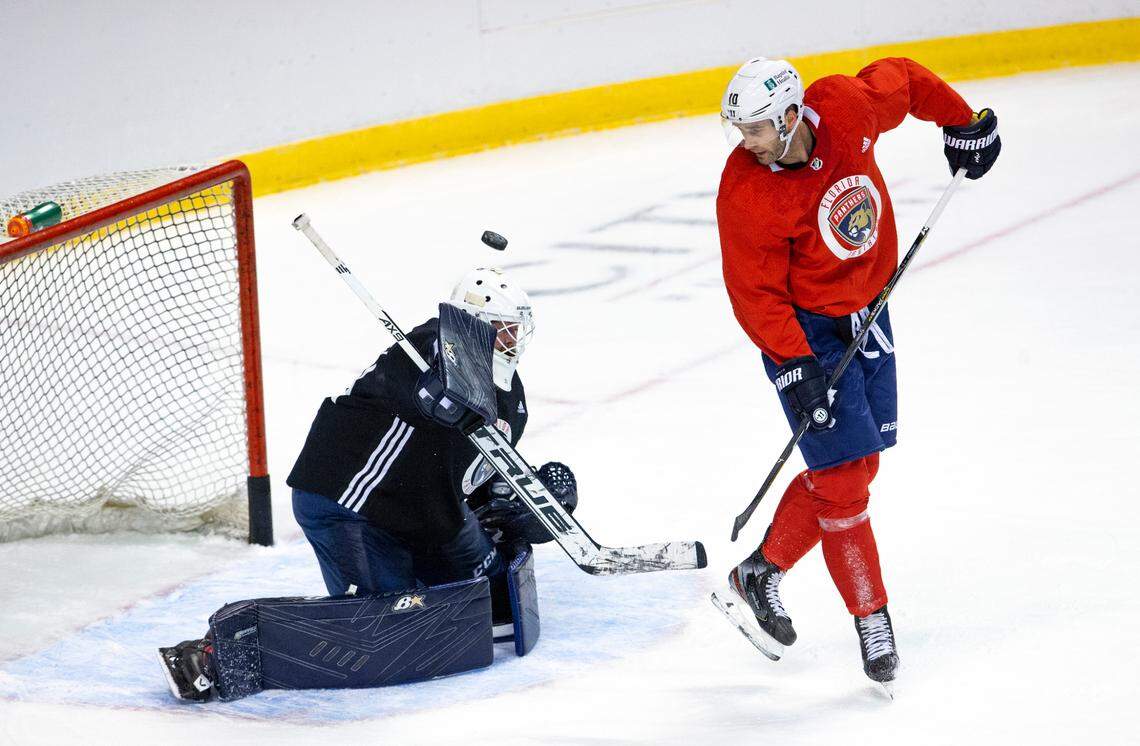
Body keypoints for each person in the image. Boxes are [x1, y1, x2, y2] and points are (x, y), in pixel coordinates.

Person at [157, 267, 578, 701]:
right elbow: (416, 386)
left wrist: (518, 505)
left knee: (477, 609)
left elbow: (467, 479)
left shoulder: (512, 396)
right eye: (504, 331)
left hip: (411, 509)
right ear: (474, 325)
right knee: (387, 630)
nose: (512, 342)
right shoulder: (430, 346)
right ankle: (210, 654)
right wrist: (433, 395)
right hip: (351, 500)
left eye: (515, 331)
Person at [715, 57, 1000, 685]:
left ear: (792, 116)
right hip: (805, 333)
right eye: (741, 131)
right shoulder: (746, 190)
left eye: (758, 128)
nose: (747, 142)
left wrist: (963, 124)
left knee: (861, 463)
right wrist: (795, 365)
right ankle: (871, 619)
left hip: (870, 310)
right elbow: (754, 295)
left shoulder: (844, 108)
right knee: (844, 476)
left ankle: (761, 571)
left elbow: (903, 78)